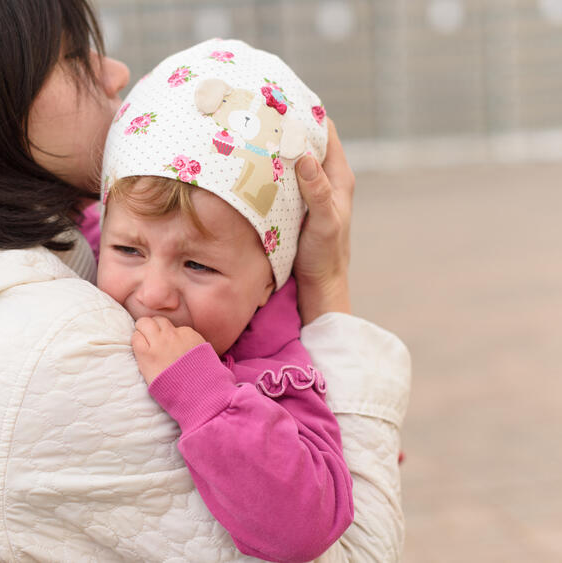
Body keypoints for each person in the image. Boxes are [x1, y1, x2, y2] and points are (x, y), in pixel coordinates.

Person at [0, 1, 410, 561]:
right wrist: (328, 288)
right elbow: (347, 549)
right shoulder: (49, 350)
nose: (114, 73)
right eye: (68, 58)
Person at [79, 39, 353, 560]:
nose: (154, 293)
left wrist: (207, 398)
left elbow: (305, 525)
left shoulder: (277, 374)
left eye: (198, 265)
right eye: (128, 250)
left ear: (269, 284)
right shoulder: (72, 248)